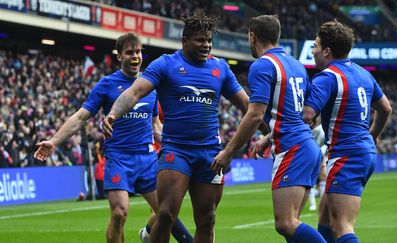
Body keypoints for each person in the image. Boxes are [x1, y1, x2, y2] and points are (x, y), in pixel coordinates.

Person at [102, 12, 251, 243]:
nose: (207, 45)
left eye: (209, 40)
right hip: (176, 151)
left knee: (207, 219)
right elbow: (134, 92)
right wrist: (113, 113)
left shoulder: (220, 68)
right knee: (165, 214)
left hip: (210, 153)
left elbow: (248, 107)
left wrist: (269, 128)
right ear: (184, 41)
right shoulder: (166, 64)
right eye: (200, 40)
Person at [33, 32, 192, 243]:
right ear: (119, 56)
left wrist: (179, 146)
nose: (135, 56)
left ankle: (147, 233)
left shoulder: (150, 86)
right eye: (129, 52)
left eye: (138, 52)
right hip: (119, 159)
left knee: (166, 212)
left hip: (147, 159)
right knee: (119, 213)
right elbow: (81, 117)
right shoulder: (107, 85)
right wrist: (54, 141)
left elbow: (155, 126)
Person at [211, 15, 326, 243]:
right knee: (293, 224)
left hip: (293, 149)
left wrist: (228, 151)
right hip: (307, 147)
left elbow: (254, 114)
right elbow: (307, 114)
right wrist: (270, 135)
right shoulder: (296, 65)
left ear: (252, 37)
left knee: (286, 223)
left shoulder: (263, 65)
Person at [303, 20, 392, 243]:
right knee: (325, 219)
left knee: (341, 225)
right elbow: (385, 109)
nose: (312, 51)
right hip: (361, 152)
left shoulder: (327, 77)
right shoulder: (363, 74)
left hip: (347, 155)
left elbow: (306, 115)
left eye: (315, 46)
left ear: (326, 50)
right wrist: (372, 135)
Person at [308, 118, 327, 211]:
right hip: (310, 155)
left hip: (321, 154)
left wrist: (322, 154)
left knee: (323, 177)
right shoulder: (307, 129)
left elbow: (326, 143)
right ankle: (313, 204)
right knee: (311, 179)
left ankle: (323, 203)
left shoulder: (321, 129)